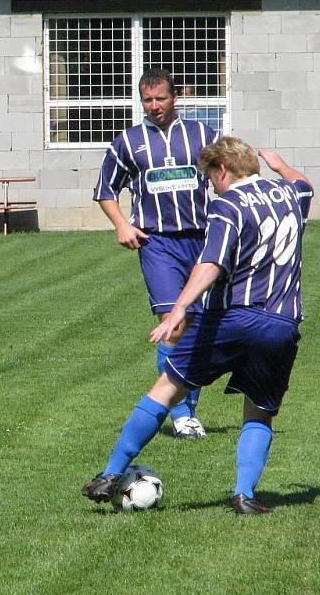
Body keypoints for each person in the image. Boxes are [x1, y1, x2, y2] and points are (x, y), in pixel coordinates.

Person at [82, 137, 313, 514]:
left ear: (222, 170)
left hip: (230, 317)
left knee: (166, 390)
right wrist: (280, 163)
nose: (210, 185)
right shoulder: (289, 194)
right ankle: (244, 496)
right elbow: (305, 184)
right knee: (259, 412)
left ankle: (109, 474)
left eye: (210, 178)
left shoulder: (227, 204)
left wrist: (178, 311)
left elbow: (210, 265)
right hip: (281, 324)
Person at [94, 68, 218, 439]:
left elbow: (228, 176)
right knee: (173, 324)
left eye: (160, 98)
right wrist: (121, 224)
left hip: (201, 239)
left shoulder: (202, 135)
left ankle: (184, 406)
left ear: (175, 96)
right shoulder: (127, 142)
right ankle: (180, 413)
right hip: (157, 243)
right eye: (147, 100)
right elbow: (104, 189)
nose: (154, 106)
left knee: (195, 326)